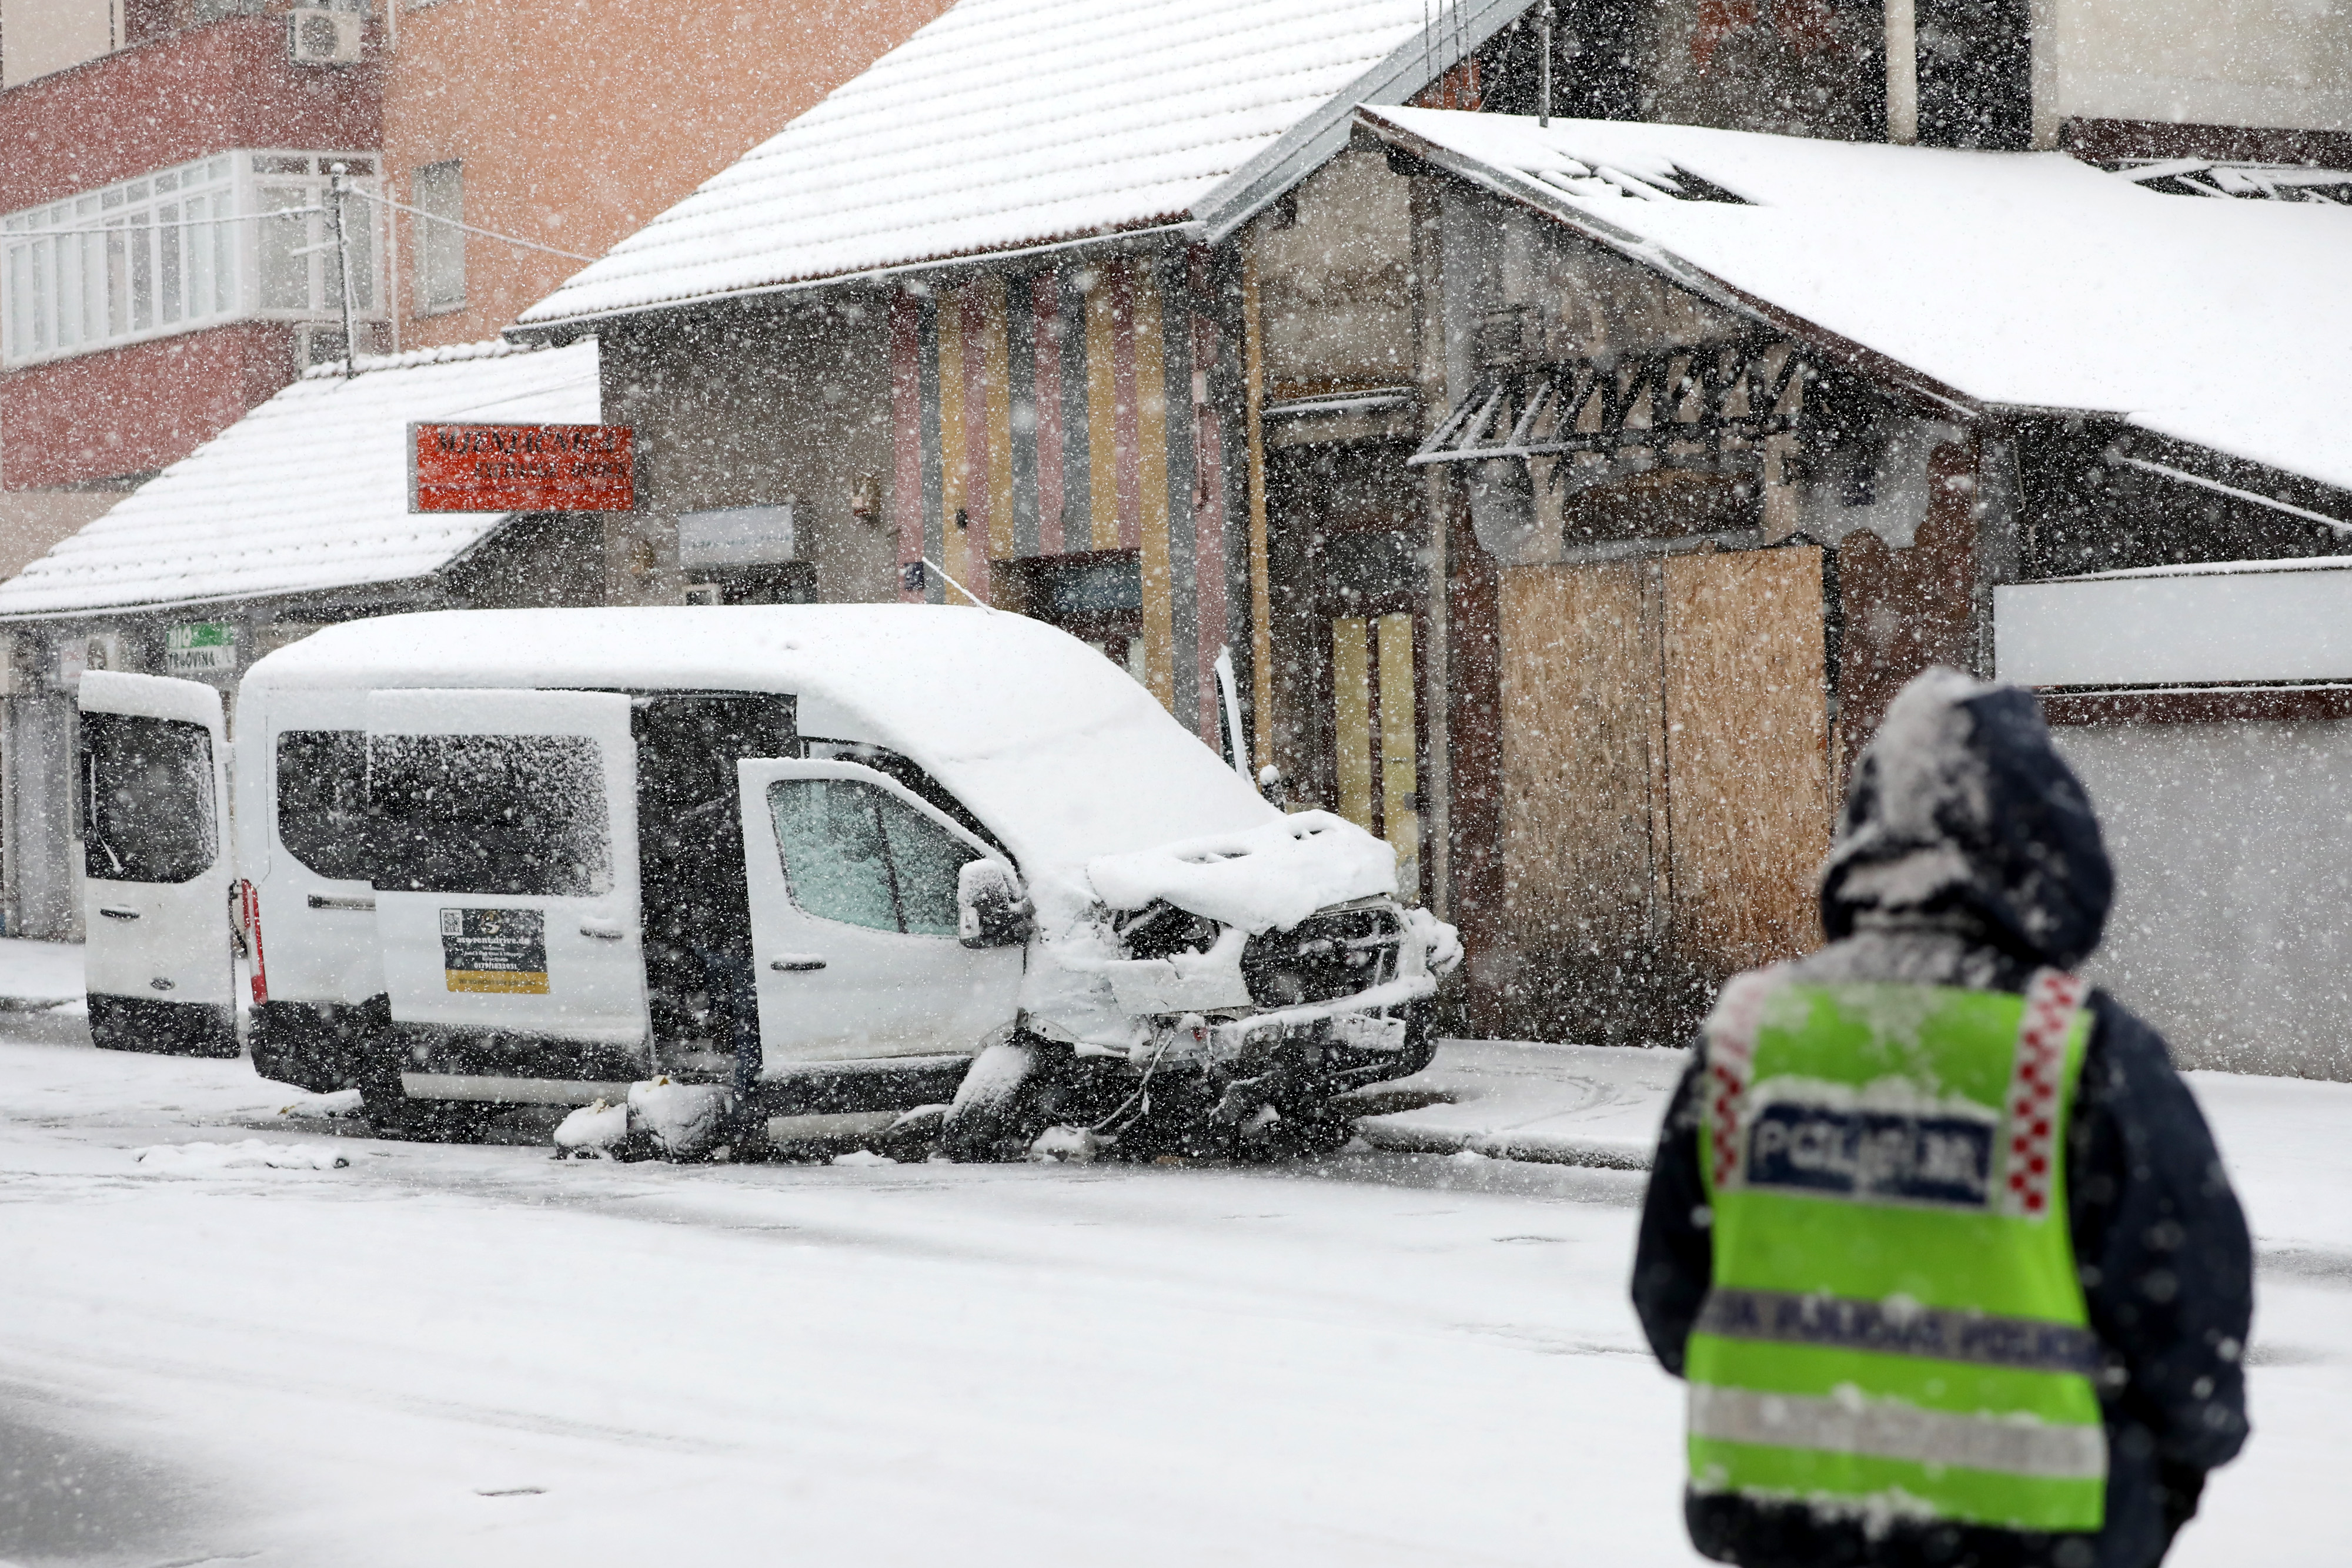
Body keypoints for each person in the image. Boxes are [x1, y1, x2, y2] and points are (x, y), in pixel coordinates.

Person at [1631, 667, 2251, 1568]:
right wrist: (2148, 1491)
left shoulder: (1748, 1035)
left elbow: (1673, 1303)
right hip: (2040, 1538)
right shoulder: (2078, 1054)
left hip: (1787, 1536)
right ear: (2046, 849)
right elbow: (2192, 1344)